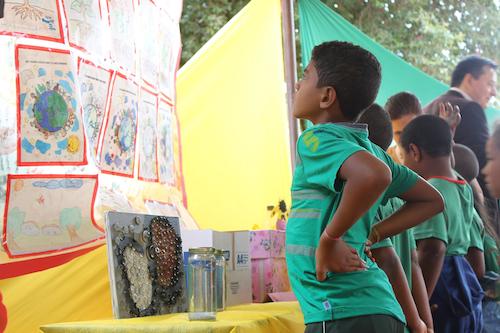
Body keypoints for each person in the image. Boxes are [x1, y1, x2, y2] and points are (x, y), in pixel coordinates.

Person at [285, 41, 444, 333]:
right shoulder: (374, 151)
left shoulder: (315, 139)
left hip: (337, 311)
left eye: (306, 75)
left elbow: (374, 176)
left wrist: (329, 239)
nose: (298, 83)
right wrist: (376, 232)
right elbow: (431, 201)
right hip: (381, 308)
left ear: (327, 97)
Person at [400, 115, 484, 333]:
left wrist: (419, 309)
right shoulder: (461, 184)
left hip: (441, 285)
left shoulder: (431, 190)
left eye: (403, 157)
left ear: (414, 151)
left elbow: (433, 249)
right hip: (463, 284)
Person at [358, 104, 434, 332]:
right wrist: (426, 322)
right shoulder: (398, 199)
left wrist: (416, 323)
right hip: (405, 318)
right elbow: (413, 264)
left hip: (388, 316)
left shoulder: (367, 195)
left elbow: (390, 262)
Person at [425, 56, 497, 209]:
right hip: (468, 209)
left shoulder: (428, 107)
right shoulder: (470, 109)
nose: (494, 93)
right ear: (469, 79)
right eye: (490, 84)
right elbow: (483, 164)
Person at [385, 92, 423, 164]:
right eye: (399, 133)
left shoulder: (436, 158)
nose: (406, 139)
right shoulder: (383, 161)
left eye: (411, 131)